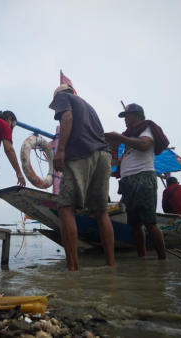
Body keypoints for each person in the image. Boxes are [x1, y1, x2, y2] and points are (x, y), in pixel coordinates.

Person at [49, 84, 115, 271]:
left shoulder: (64, 98)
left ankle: (73, 270)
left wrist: (60, 150)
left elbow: (67, 117)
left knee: (65, 209)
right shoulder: (88, 107)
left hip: (82, 153)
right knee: (101, 211)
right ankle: (111, 267)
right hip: (103, 155)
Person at [105, 103, 169, 260]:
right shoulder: (129, 137)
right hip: (128, 180)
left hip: (142, 177)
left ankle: (163, 259)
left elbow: (145, 145)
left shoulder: (146, 128)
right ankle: (142, 259)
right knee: (134, 222)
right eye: (124, 116)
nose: (125, 119)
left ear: (139, 116)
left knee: (149, 221)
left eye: (128, 115)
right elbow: (125, 159)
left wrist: (119, 137)